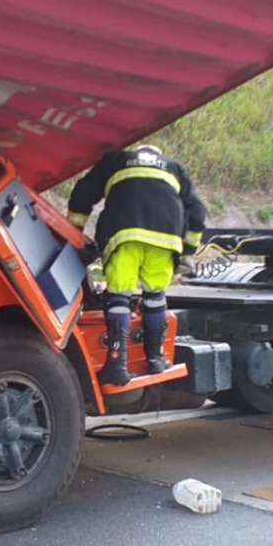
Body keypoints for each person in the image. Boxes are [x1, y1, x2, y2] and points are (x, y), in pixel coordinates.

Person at [67, 143, 206, 386]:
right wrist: (188, 254)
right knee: (155, 295)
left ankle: (117, 364)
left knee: (119, 295)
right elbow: (197, 212)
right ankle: (155, 359)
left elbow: (82, 194)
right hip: (165, 239)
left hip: (124, 234)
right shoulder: (175, 169)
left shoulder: (117, 160)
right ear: (158, 155)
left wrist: (72, 234)